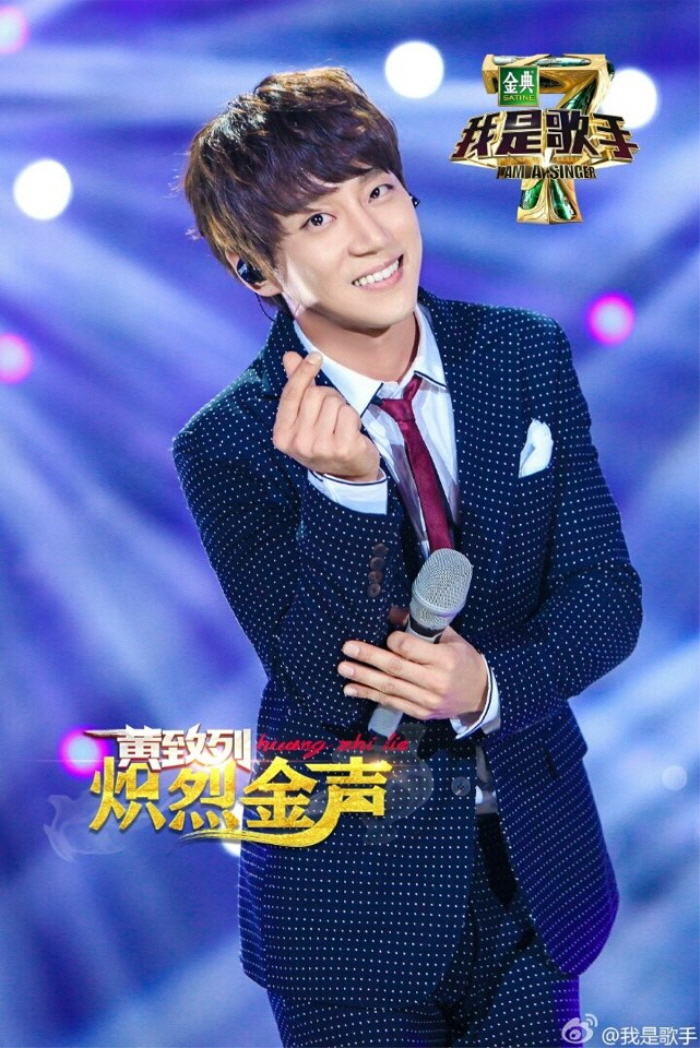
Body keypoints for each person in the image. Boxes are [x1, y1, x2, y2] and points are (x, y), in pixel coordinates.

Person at [174, 67, 642, 1048]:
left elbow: (604, 594)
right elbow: (321, 680)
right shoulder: (227, 443)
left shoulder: (520, 356)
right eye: (316, 218)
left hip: (533, 877)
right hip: (347, 911)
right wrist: (346, 494)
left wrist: (489, 685)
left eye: (378, 190)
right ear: (258, 271)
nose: (370, 235)